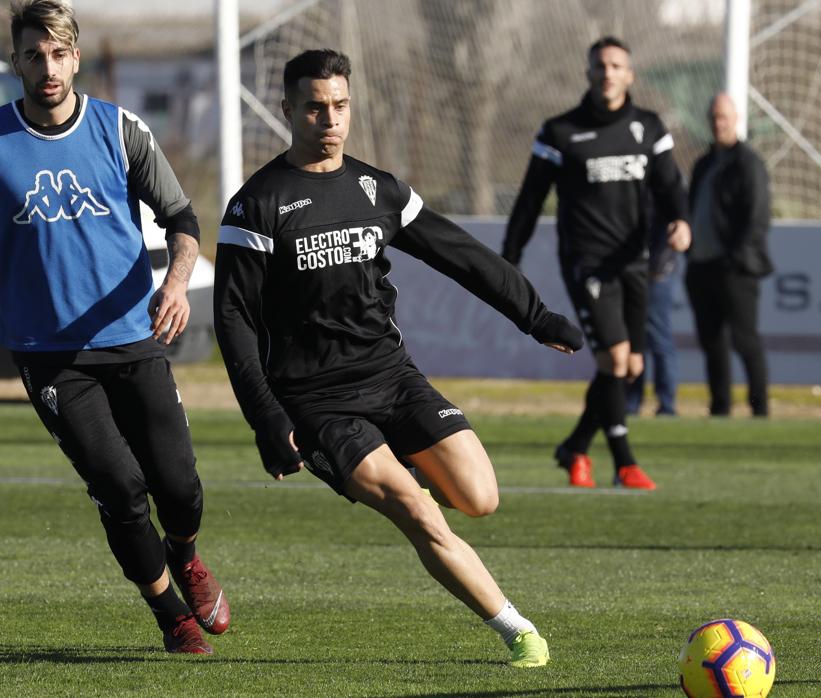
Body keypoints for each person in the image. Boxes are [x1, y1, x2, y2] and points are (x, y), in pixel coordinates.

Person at [214, 49, 583, 668]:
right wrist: (267, 419)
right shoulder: (257, 205)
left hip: (391, 376)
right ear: (286, 111)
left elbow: (459, 253)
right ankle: (516, 629)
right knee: (418, 511)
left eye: (339, 106)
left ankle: (388, 472)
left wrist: (534, 315)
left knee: (479, 497)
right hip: (316, 400)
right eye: (313, 107)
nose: (328, 119)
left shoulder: (375, 188)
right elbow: (233, 321)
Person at [0, 0, 228, 655]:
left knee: (178, 486)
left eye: (58, 53)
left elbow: (182, 219)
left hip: (133, 338)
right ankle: (171, 616)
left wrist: (175, 284)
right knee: (120, 488)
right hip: (50, 356)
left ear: (76, 57)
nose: (47, 67)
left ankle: (188, 556)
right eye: (34, 55)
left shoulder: (120, 131)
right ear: (17, 63)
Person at [503, 36, 690, 489]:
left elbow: (669, 186)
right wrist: (510, 256)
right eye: (600, 65)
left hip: (634, 261)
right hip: (587, 263)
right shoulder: (561, 131)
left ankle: (575, 447)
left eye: (616, 65)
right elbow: (530, 199)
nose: (608, 72)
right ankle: (625, 462)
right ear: (588, 73)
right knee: (616, 359)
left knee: (630, 367)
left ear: (630, 75)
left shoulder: (648, 126)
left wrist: (681, 219)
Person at [685, 93, 773, 417]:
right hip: (701, 266)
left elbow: (757, 217)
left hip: (735, 269)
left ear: (736, 119)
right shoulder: (703, 163)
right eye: (713, 117)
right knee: (712, 342)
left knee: (744, 340)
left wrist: (734, 257)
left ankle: (759, 409)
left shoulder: (748, 164)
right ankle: (720, 407)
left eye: (724, 117)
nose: (718, 123)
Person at [625, 221, 679, 417]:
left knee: (658, 340)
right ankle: (632, 402)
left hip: (655, 273)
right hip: (636, 270)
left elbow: (669, 222)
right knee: (634, 338)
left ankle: (666, 404)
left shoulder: (660, 192)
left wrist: (657, 266)